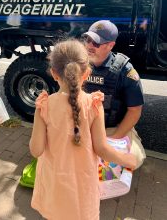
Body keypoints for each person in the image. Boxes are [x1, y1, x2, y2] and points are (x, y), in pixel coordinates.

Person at [29, 39, 137, 220]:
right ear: (86, 73)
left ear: (54, 73)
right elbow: (102, 149)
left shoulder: (44, 105)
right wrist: (127, 159)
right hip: (83, 187)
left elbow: (36, 150)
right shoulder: (94, 104)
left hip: (54, 184)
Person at [81, 20, 146, 168]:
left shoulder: (125, 71)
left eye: (96, 43)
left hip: (112, 127)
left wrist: (115, 138)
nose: (90, 45)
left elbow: (134, 110)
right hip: (84, 125)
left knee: (133, 159)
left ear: (110, 45)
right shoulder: (79, 63)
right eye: (88, 40)